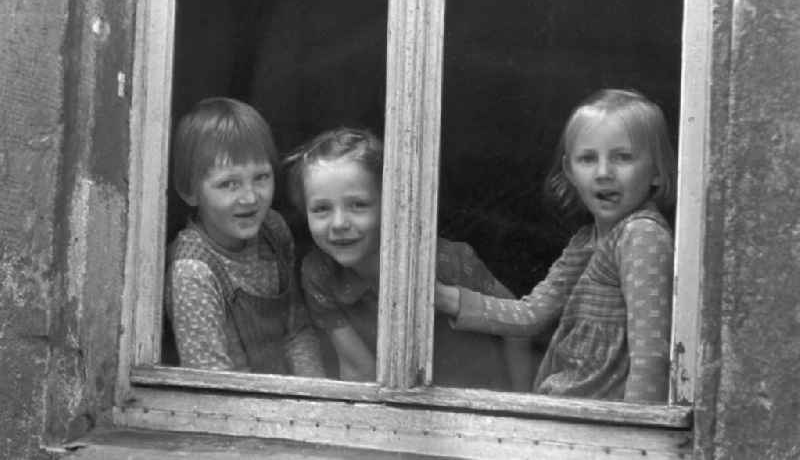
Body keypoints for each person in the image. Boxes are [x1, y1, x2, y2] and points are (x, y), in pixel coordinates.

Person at [436, 89, 676, 403]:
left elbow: (651, 356)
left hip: (606, 428)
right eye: (588, 159)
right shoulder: (586, 240)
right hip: (569, 409)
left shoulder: (641, 235)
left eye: (623, 157)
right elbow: (530, 314)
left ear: (656, 170)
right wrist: (440, 297)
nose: (604, 173)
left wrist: (638, 434)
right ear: (570, 171)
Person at [285, 127, 535, 390]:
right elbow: (359, 369)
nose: (339, 223)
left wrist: (522, 399)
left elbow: (516, 322)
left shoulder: (445, 261)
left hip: (479, 401)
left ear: (390, 203)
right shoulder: (320, 273)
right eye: (322, 209)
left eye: (358, 205)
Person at [165, 97, 324, 376]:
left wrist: (315, 398)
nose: (250, 198)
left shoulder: (273, 229)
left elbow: (296, 330)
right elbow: (211, 380)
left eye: (261, 177)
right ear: (189, 191)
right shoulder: (192, 272)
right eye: (229, 184)